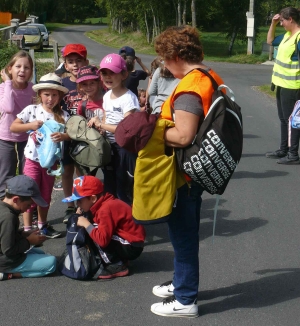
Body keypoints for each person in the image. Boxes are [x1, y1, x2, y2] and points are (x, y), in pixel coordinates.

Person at [147, 25, 224, 318]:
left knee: (183, 235)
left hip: (185, 174)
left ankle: (185, 300)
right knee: (184, 231)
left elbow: (183, 136)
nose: (164, 66)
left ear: (177, 55)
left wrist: (150, 132)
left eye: (165, 59)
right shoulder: (208, 75)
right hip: (199, 169)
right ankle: (181, 282)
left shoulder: (191, 87)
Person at [10, 73, 70, 238]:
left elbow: (71, 134)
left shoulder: (63, 116)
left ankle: (43, 225)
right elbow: (14, 127)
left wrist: (63, 136)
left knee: (45, 194)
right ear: (40, 95)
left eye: (54, 94)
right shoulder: (32, 110)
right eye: (46, 94)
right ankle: (28, 228)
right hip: (32, 160)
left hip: (51, 163)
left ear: (60, 96)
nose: (50, 98)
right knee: (28, 193)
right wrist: (31, 125)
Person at [62, 176, 145, 279]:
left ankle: (117, 265)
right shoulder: (103, 203)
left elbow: (102, 240)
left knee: (93, 229)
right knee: (92, 225)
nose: (78, 205)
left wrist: (86, 224)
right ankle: (119, 259)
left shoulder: (106, 209)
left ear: (93, 198)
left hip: (132, 246)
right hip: (128, 242)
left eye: (80, 201)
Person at [88, 54, 139, 205]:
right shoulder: (107, 95)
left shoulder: (129, 99)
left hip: (124, 148)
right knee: (110, 186)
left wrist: (100, 125)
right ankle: (113, 220)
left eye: (113, 73)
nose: (108, 77)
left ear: (124, 74)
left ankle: (129, 222)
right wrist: (102, 128)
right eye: (104, 73)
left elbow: (126, 129)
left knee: (124, 187)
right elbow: (106, 116)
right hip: (109, 146)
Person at [0, 175, 56, 281]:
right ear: (16, 199)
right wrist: (29, 241)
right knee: (51, 263)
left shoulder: (3, 208)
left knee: (41, 253)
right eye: (29, 204)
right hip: (6, 261)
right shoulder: (9, 217)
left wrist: (22, 233)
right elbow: (8, 250)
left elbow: (3, 234)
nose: (29, 208)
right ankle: (8, 274)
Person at [266, 7, 300, 164]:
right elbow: (270, 41)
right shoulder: (288, 36)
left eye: (282, 21)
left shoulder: (298, 38)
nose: (281, 24)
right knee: (283, 119)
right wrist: (272, 24)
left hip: (293, 87)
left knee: (292, 120)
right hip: (281, 85)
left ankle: (293, 155)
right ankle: (283, 149)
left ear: (291, 19)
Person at [60, 44, 89, 222]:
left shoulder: (91, 81)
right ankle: (70, 206)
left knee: (82, 170)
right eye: (71, 62)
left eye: (79, 61)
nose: (75, 65)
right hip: (66, 134)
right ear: (65, 65)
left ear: (86, 61)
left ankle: (82, 202)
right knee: (66, 169)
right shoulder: (62, 84)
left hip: (85, 133)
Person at [0, 50, 35, 199]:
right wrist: (7, 83)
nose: (22, 70)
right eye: (18, 66)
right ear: (10, 69)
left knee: (26, 172)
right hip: (5, 137)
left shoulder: (33, 89)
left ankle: (26, 204)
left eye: (26, 67)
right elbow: (8, 108)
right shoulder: (3, 88)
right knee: (6, 173)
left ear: (31, 71)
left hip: (26, 138)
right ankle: (5, 205)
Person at [75, 65, 104, 176]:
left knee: (112, 179)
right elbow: (80, 124)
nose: (89, 87)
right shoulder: (82, 105)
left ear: (98, 83)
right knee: (88, 178)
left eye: (92, 83)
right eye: (84, 84)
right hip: (91, 146)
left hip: (107, 145)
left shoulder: (107, 101)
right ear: (80, 87)